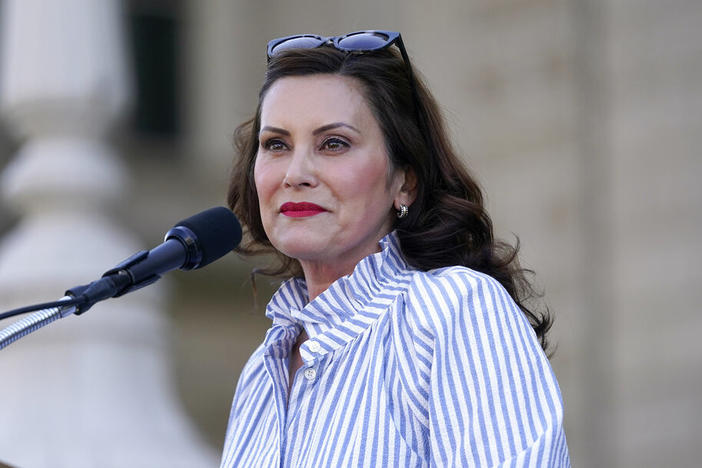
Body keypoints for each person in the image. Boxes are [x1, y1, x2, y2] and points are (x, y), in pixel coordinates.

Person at [220, 30, 570, 467]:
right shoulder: (262, 369)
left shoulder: (452, 310)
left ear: (405, 181)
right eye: (276, 144)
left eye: (334, 143)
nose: (296, 172)